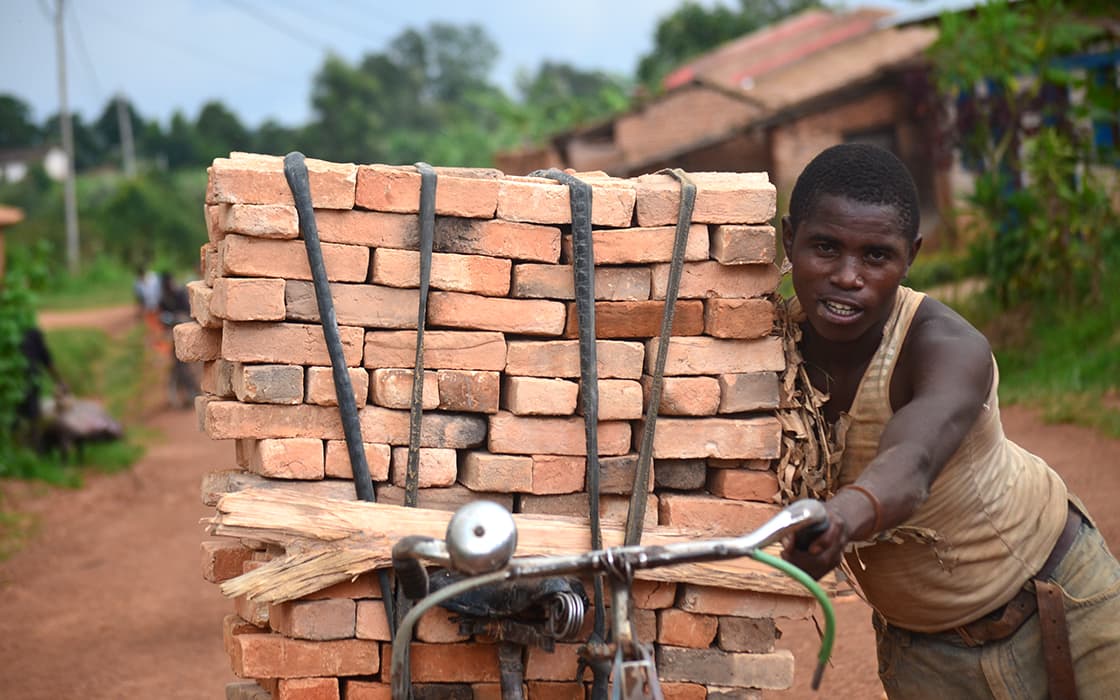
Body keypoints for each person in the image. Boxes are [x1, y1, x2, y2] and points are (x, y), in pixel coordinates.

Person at [779, 143, 1120, 698]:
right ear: (788, 238)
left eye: (876, 256)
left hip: (1060, 601)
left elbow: (910, 464)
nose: (848, 276)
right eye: (825, 247)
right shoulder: (766, 352)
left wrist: (840, 519)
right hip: (922, 652)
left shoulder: (944, 345)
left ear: (910, 256)